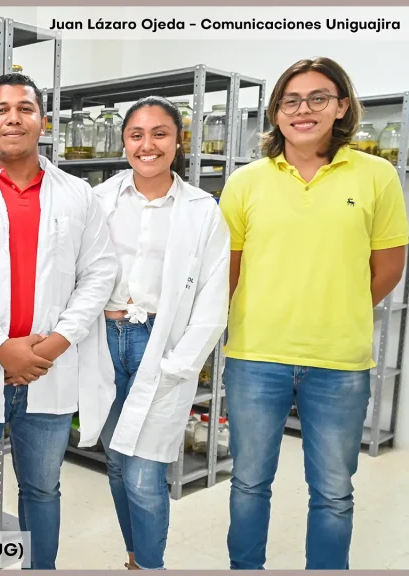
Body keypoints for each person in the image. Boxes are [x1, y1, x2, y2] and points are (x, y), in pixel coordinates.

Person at [219, 57, 408, 570]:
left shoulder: (377, 176)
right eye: (291, 100)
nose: (304, 110)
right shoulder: (245, 182)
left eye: (318, 97)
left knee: (333, 492)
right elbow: (228, 273)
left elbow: (389, 267)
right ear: (276, 112)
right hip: (255, 357)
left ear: (342, 106)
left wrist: (337, 305)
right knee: (249, 484)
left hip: (340, 363)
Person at [0, 73, 118, 570]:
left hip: (48, 371)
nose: (12, 118)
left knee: (43, 487)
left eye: (24, 108)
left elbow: (99, 273)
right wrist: (0, 346)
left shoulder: (78, 193)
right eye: (0, 109)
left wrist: (56, 343)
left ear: (44, 121)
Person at [92, 97, 230, 570]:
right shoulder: (100, 200)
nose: (147, 145)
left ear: (178, 140)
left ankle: (150, 565)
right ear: (124, 141)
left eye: (159, 134)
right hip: (105, 344)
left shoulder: (202, 210)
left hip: (161, 344)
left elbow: (214, 299)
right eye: (136, 135)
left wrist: (179, 364)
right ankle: (134, 558)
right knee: (115, 463)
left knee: (145, 473)